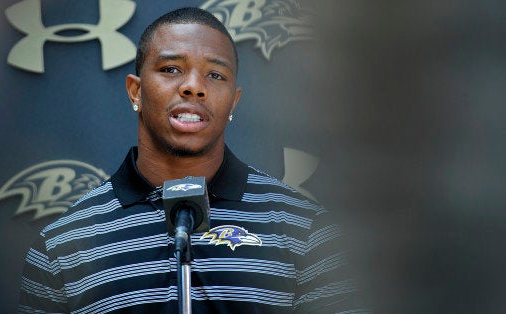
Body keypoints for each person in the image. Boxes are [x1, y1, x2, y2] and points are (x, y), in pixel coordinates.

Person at [18, 7, 363, 313]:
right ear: (135, 91)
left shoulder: (303, 228)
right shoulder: (62, 245)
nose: (194, 87)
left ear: (234, 101)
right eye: (171, 69)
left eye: (216, 75)